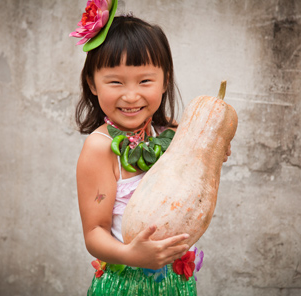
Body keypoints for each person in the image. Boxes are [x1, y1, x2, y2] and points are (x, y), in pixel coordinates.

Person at [71, 2, 231, 294]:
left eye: (145, 80)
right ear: (92, 84)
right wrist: (130, 255)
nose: (131, 95)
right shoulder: (100, 148)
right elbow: (94, 233)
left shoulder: (173, 133)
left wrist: (212, 152)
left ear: (165, 80)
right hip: (125, 283)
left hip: (175, 282)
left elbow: (196, 188)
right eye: (115, 82)